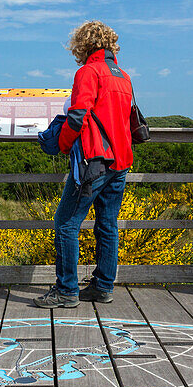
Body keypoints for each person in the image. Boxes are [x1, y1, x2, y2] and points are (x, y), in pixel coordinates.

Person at [35, 21, 134, 308]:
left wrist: (62, 144)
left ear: (82, 45)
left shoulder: (88, 72)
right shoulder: (123, 76)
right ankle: (103, 287)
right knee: (107, 224)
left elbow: (77, 115)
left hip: (94, 161)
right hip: (121, 160)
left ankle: (66, 290)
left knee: (66, 223)